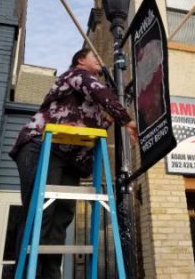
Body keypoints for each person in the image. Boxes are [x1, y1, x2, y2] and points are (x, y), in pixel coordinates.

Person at [9, 48, 138, 279]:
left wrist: (110, 119)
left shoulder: (92, 100)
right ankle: (30, 273)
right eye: (95, 56)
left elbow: (93, 127)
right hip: (39, 145)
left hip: (69, 158)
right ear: (81, 60)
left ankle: (51, 275)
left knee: (63, 216)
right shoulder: (75, 75)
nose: (100, 60)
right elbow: (99, 91)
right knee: (41, 214)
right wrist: (126, 121)